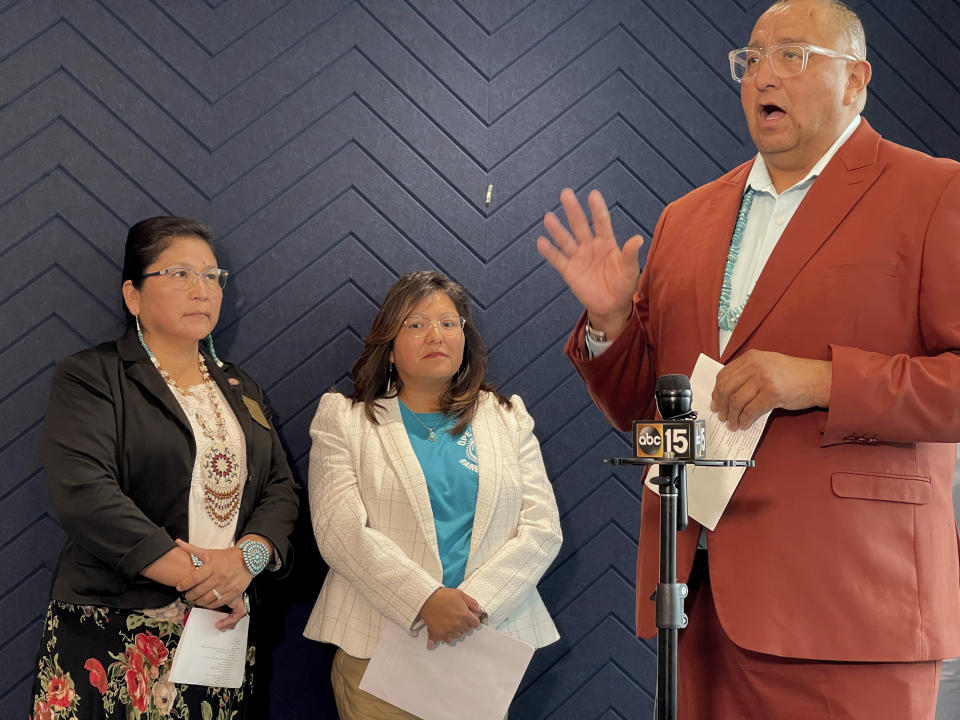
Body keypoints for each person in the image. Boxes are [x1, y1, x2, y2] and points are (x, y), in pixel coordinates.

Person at [537, 0, 960, 717]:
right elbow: (651, 406)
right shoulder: (688, 217)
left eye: (792, 56)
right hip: (698, 600)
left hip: (851, 604)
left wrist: (821, 381)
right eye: (751, 59)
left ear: (855, 81)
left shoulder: (934, 193)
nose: (763, 74)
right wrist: (610, 323)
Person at [28, 217, 300, 719]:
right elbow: (87, 496)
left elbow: (281, 490)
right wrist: (204, 579)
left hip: (219, 629)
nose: (203, 290)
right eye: (179, 274)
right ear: (133, 295)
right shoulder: (93, 377)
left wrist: (248, 562)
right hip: (113, 631)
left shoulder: (241, 389)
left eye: (213, 277)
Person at [304, 270, 562, 719]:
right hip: (377, 651)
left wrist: (467, 608)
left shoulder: (508, 417)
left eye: (449, 322)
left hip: (479, 645)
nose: (436, 335)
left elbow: (542, 529)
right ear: (388, 345)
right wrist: (425, 600)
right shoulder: (344, 420)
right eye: (416, 324)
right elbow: (339, 530)